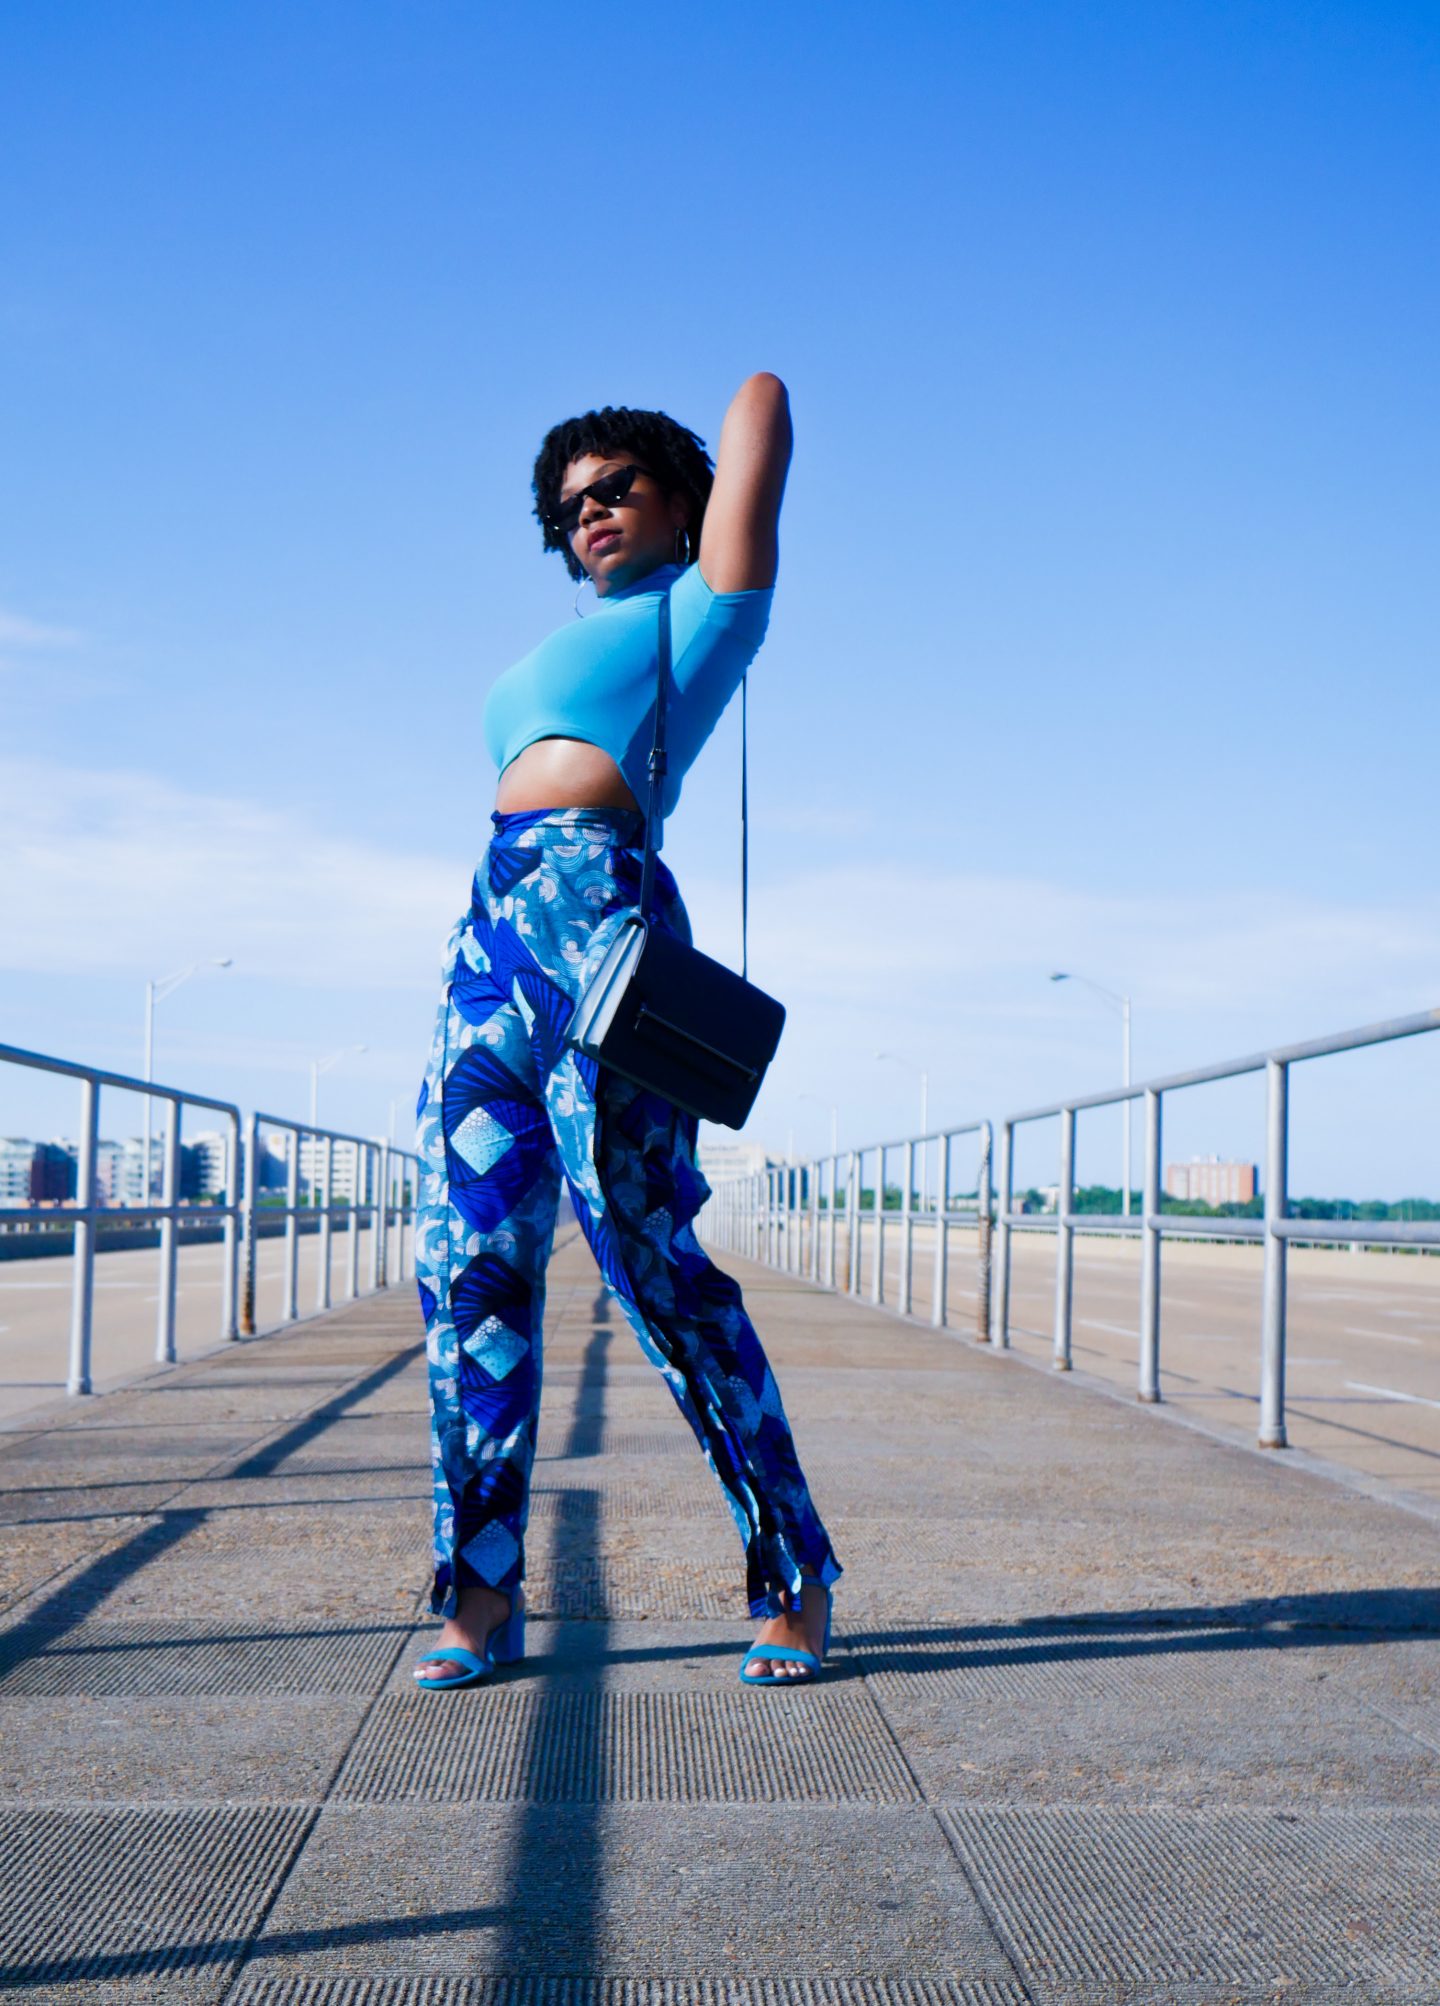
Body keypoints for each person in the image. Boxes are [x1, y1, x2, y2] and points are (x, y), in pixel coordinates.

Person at [411, 372, 841, 1690]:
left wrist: (717, 453)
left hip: (602, 924)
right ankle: (481, 1594)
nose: (590, 512)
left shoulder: (704, 614)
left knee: (646, 1261)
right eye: (570, 504)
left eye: (618, 490)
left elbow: (762, 415)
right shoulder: (566, 639)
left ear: (676, 500)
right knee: (468, 1267)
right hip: (493, 931)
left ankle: (792, 1573)